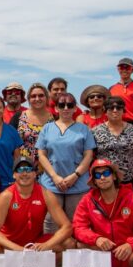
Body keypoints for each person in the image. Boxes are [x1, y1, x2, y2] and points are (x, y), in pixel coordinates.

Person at [72, 159, 133, 267]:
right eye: (97, 175)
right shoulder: (87, 200)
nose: (102, 178)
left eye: (106, 173)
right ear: (94, 180)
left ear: (114, 176)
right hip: (101, 254)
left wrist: (130, 245)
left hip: (127, 255)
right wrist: (96, 239)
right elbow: (78, 228)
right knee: (78, 244)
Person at [0, 158, 74, 253]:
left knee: (69, 243)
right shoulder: (5, 196)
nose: (24, 173)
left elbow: (67, 227)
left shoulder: (46, 194)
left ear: (35, 174)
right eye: (20, 170)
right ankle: (20, 263)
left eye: (28, 169)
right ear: (14, 175)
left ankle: (39, 265)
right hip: (9, 242)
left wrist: (47, 245)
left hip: (35, 243)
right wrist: (18, 249)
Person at [36, 92, 96, 229]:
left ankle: (73, 251)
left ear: (75, 108)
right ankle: (52, 250)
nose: (66, 108)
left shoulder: (84, 129)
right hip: (52, 183)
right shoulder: (47, 128)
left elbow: (88, 155)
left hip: (78, 184)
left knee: (76, 223)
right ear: (56, 108)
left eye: (70, 105)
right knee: (50, 223)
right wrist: (55, 176)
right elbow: (41, 154)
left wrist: (75, 175)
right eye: (61, 105)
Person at [93, 96, 133, 192]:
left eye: (118, 108)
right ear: (105, 110)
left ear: (123, 110)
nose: (115, 110)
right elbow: (92, 157)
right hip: (104, 180)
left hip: (129, 180)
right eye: (111, 108)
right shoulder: (96, 131)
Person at [9, 82, 53, 166]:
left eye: (41, 95)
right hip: (24, 168)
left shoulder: (54, 119)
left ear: (47, 98)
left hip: (49, 168)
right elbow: (11, 143)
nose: (37, 99)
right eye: (33, 96)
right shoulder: (18, 116)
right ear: (29, 99)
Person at [109, 58, 133, 123]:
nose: (124, 70)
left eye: (127, 68)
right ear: (118, 69)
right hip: (116, 122)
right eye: (121, 68)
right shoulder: (111, 89)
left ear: (132, 70)